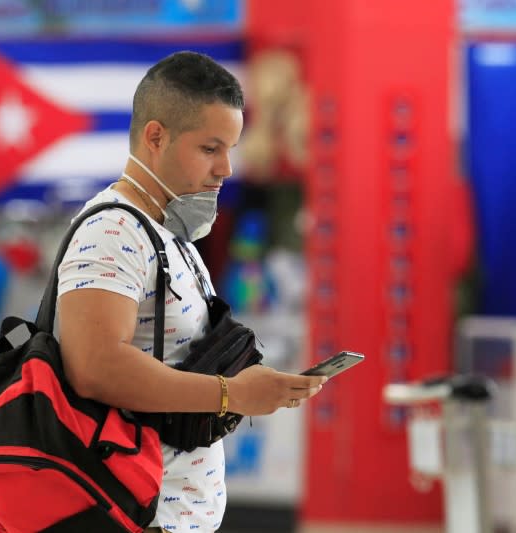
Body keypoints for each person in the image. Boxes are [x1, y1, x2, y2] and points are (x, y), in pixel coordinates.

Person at [56, 51, 327, 533]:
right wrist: (230, 395)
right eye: (210, 148)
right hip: (136, 516)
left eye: (231, 149)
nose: (225, 167)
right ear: (155, 136)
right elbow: (93, 367)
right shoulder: (113, 231)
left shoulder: (167, 233)